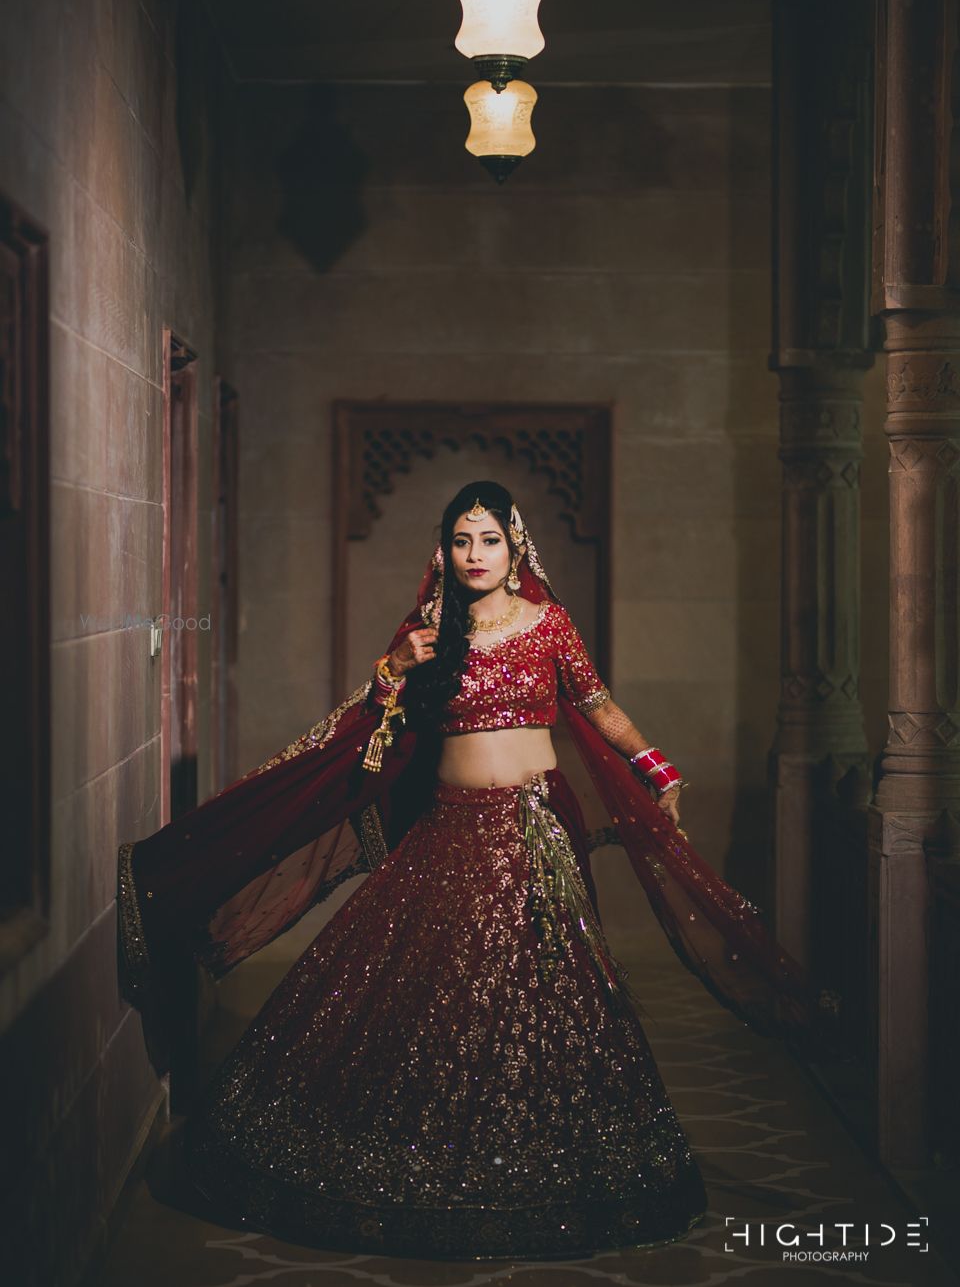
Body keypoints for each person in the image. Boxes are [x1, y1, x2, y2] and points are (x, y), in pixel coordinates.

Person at [116, 479, 839, 1263]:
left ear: (515, 545)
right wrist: (394, 666)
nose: (474, 554)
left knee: (546, 1010)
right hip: (448, 839)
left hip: (532, 839)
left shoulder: (548, 624)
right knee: (429, 1008)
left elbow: (598, 707)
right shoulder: (428, 632)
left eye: (488, 539)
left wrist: (655, 765)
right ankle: (422, 1170)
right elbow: (370, 727)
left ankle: (547, 1171)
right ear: (443, 550)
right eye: (461, 540)